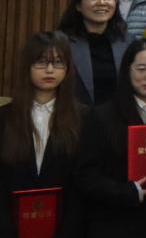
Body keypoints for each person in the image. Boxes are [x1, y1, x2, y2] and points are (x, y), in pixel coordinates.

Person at [74, 39, 146, 238]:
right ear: (127, 71)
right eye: (141, 69)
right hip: (118, 220)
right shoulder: (102, 116)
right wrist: (123, 191)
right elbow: (86, 174)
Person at [0, 32, 83, 237]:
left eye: (58, 62)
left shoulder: (85, 118)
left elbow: (82, 181)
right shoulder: (4, 117)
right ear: (27, 66)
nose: (49, 70)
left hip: (66, 225)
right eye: (41, 62)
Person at [57, 0, 131, 106]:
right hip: (74, 116)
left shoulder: (128, 42)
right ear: (78, 5)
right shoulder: (61, 43)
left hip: (118, 117)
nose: (102, 2)